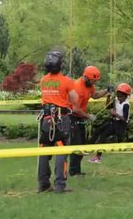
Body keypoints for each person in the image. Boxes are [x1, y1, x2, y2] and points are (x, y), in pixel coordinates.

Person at [37, 50, 80, 193]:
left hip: (46, 119)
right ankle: (60, 185)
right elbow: (75, 100)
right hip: (61, 119)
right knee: (61, 151)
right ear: (60, 65)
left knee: (44, 150)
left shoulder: (43, 80)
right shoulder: (67, 81)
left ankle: (43, 184)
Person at [68, 66, 110, 176]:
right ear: (86, 78)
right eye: (93, 81)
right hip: (72, 117)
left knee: (82, 144)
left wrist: (107, 91)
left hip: (80, 117)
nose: (94, 83)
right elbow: (75, 109)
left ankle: (76, 171)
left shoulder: (89, 86)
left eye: (95, 81)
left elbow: (95, 95)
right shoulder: (77, 87)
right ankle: (73, 171)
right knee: (76, 144)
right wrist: (88, 116)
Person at [88, 83, 132, 164]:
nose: (119, 98)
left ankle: (97, 157)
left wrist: (115, 114)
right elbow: (108, 106)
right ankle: (87, 148)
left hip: (120, 125)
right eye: (118, 96)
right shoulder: (116, 100)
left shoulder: (126, 105)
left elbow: (125, 119)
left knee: (103, 136)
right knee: (98, 130)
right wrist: (108, 97)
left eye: (121, 96)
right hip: (113, 121)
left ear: (126, 96)